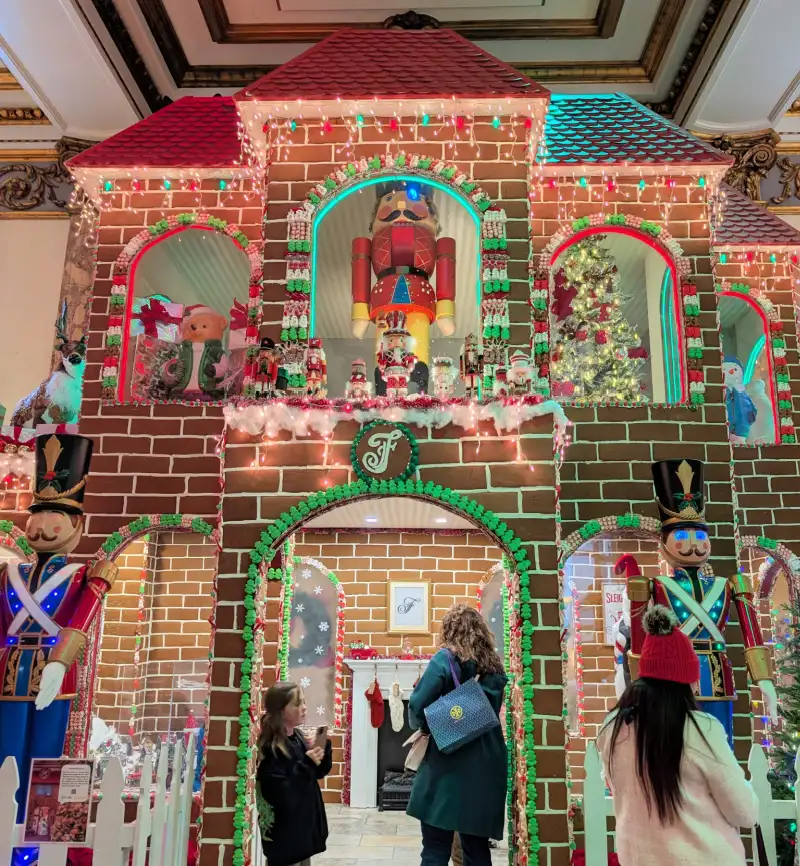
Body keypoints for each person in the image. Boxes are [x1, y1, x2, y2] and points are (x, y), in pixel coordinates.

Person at [597, 605, 759, 866]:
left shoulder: (613, 728)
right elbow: (745, 812)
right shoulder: (701, 729)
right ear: (685, 681)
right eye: (694, 680)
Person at [407, 604, 507, 866]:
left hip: (446, 765)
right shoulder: (494, 667)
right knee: (476, 851)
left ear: (449, 631)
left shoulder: (444, 659)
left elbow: (417, 706)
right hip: (485, 765)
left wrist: (431, 728)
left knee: (435, 849)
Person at [256, 682, 332, 866]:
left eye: (304, 702)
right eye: (297, 704)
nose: (304, 708)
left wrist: (323, 750)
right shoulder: (272, 748)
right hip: (285, 840)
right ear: (281, 710)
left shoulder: (296, 737)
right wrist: (307, 764)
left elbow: (315, 774)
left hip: (300, 836)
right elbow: (283, 794)